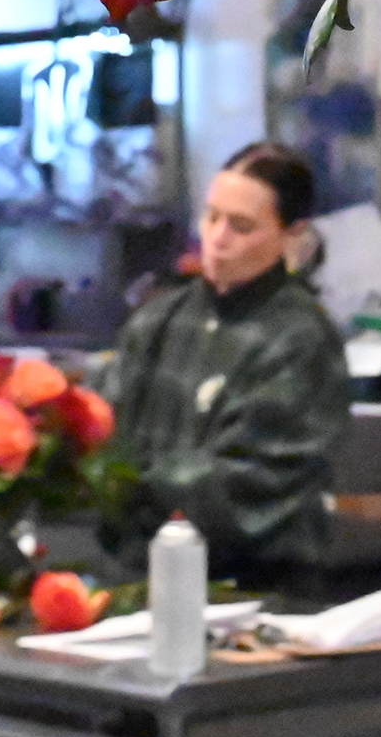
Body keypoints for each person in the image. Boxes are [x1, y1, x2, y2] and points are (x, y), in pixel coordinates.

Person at [105, 143, 351, 586]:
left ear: (291, 234)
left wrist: (131, 489)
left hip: (261, 587)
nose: (217, 240)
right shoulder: (159, 319)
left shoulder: (300, 337)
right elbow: (105, 428)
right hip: (139, 575)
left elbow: (252, 481)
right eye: (211, 217)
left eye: (241, 226)